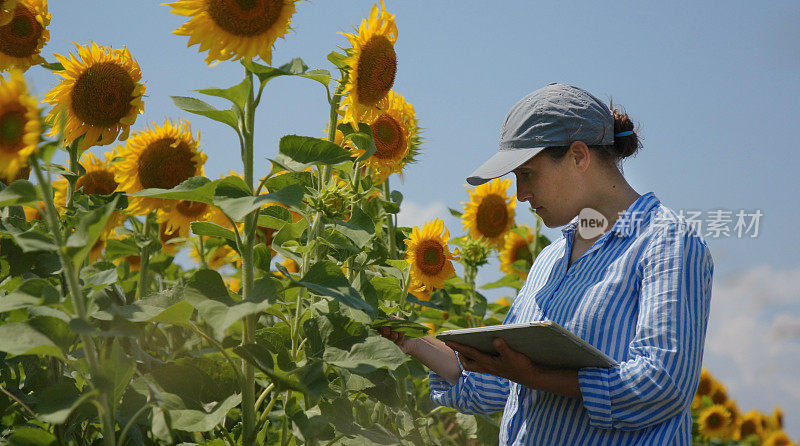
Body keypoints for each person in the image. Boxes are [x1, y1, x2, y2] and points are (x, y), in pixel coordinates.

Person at [379, 83, 714, 445]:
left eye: (528, 173)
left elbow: (661, 386)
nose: (520, 194)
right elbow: (498, 383)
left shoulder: (666, 242)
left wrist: (537, 376)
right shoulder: (551, 259)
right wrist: (413, 341)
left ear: (578, 156)